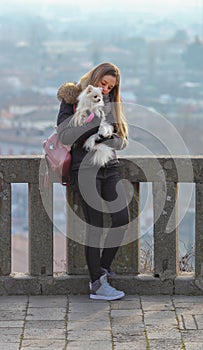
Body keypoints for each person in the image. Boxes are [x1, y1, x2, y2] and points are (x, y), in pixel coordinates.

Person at [56, 62, 129, 300]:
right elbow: (65, 135)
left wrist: (107, 138)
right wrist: (92, 127)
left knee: (121, 219)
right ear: (95, 78)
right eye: (103, 83)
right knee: (95, 224)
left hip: (109, 167)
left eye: (110, 87)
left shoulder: (111, 104)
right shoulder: (73, 98)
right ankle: (97, 284)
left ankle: (102, 271)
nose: (105, 90)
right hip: (84, 169)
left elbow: (122, 140)